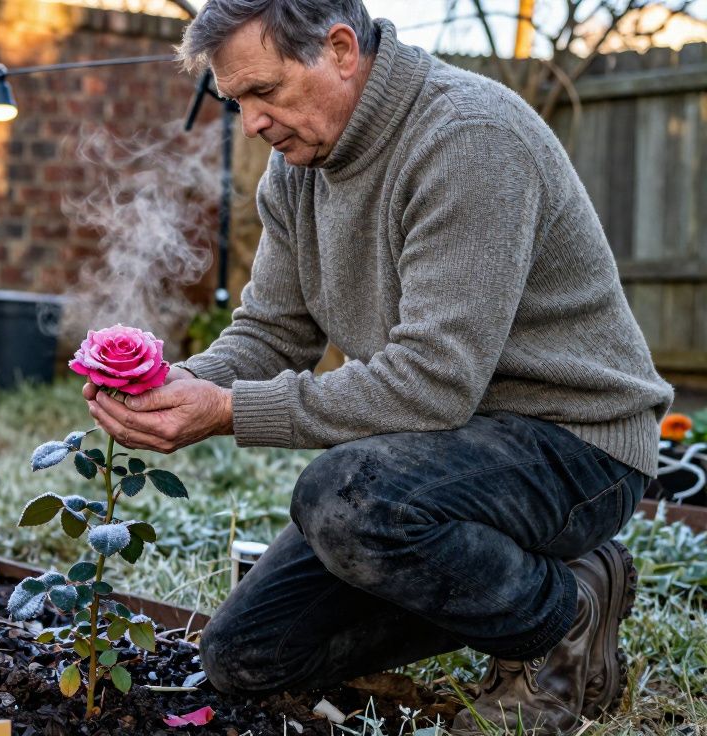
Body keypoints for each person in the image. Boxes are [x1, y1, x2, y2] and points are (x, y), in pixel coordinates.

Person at [80, 1, 674, 733]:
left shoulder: (467, 139)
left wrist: (231, 412)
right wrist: (184, 386)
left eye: (265, 91)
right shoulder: (298, 170)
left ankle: (563, 616)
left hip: (575, 443)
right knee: (244, 657)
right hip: (443, 452)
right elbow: (271, 331)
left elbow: (432, 381)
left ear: (338, 50)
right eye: (238, 102)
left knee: (346, 498)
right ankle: (513, 584)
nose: (254, 121)